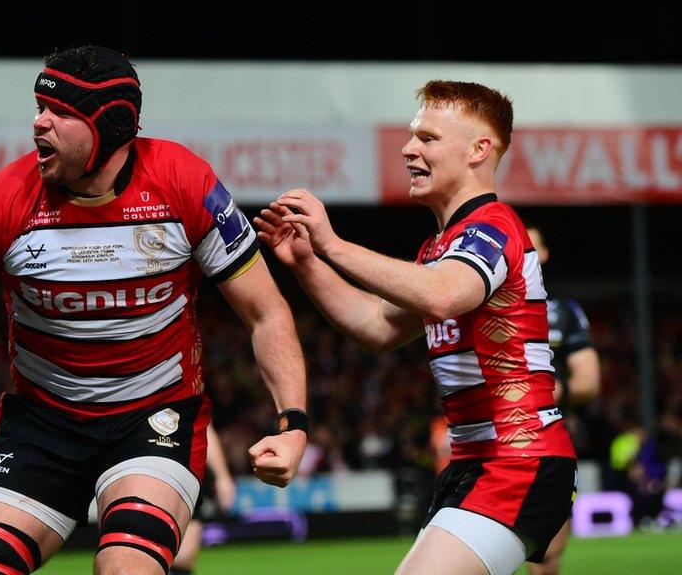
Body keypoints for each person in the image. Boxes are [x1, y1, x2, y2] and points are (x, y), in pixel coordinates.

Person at [0, 45, 307, 575]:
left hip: (152, 419)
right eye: (39, 106)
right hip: (41, 424)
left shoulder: (186, 184)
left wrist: (292, 423)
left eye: (60, 112)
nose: (39, 122)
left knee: (126, 568)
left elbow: (267, 312)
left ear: (109, 127)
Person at [255, 80, 577, 575]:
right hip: (474, 465)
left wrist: (334, 244)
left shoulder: (493, 227)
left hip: (518, 460)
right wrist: (307, 262)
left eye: (427, 138)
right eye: (411, 136)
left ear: (479, 150)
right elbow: (375, 327)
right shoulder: (440, 248)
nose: (408, 149)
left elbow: (443, 295)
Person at [524, 225, 600, 575]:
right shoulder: (479, 302)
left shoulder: (563, 311)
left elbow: (590, 381)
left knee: (547, 555)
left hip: (548, 440)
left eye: (531, 246)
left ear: (544, 254)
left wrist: (557, 390)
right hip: (490, 438)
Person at [170, 425, 235, 575]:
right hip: (139, 469)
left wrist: (222, 476)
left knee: (183, 558)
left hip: (185, 472)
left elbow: (206, 428)